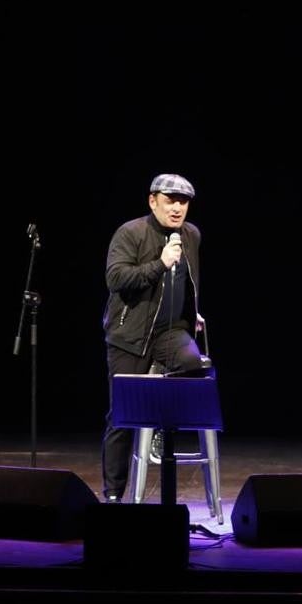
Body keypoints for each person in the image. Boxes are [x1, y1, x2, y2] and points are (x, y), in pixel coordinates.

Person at [100, 173, 208, 502]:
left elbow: (187, 281)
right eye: (170, 200)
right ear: (153, 201)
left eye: (183, 201)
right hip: (129, 336)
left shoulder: (191, 234)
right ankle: (114, 496)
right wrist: (159, 264)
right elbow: (116, 278)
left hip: (170, 331)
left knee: (193, 363)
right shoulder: (130, 232)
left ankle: (163, 427)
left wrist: (192, 313)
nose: (177, 207)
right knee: (123, 416)